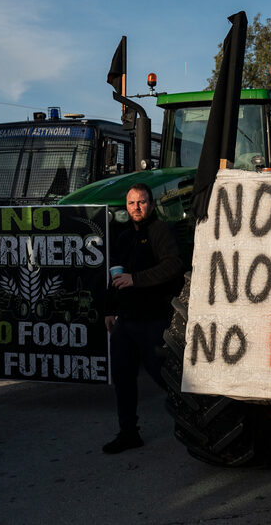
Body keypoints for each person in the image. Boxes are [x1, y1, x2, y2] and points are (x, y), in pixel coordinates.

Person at [103, 183, 184, 454]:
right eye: (131, 203)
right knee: (123, 377)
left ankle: (189, 418)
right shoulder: (124, 237)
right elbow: (116, 276)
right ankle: (128, 432)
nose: (136, 207)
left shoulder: (162, 231)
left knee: (162, 375)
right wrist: (110, 309)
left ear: (151, 204)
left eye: (142, 202)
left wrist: (135, 280)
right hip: (126, 320)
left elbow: (173, 266)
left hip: (153, 318)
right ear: (126, 207)